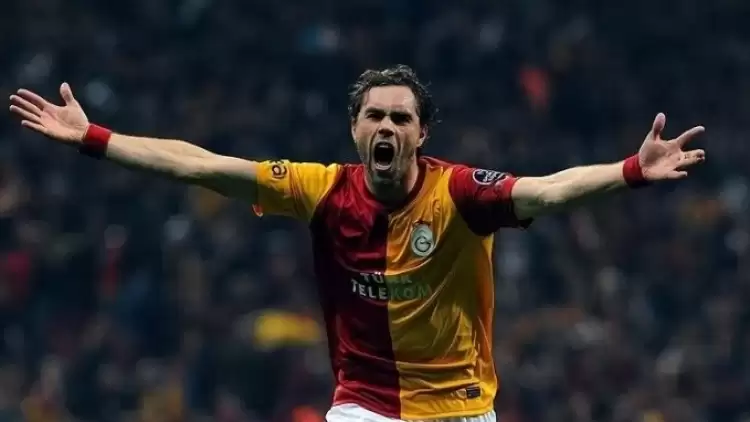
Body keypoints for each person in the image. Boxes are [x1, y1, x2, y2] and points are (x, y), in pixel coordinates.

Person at [8, 65, 706, 422]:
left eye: (401, 118)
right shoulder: (320, 189)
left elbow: (549, 191)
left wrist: (630, 170)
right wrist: (94, 137)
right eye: (375, 115)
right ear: (355, 128)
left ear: (421, 133)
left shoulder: (462, 193)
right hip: (364, 406)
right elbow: (202, 165)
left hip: (463, 408)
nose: (387, 126)